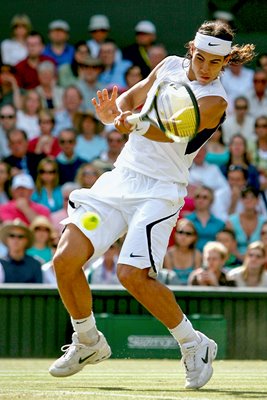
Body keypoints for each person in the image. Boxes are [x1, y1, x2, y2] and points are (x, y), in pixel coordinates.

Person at [49, 20, 255, 389]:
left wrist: (135, 125)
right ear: (192, 49)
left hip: (160, 191)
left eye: (215, 63)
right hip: (119, 180)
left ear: (225, 65)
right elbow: (133, 96)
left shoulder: (215, 100)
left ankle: (194, 344)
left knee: (132, 275)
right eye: (201, 58)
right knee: (65, 260)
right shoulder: (169, 64)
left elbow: (175, 129)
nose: (205, 68)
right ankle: (88, 340)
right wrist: (114, 112)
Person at [226, 186, 267, 259]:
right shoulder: (231, 221)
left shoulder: (264, 221)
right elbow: (229, 244)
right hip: (236, 259)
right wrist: (243, 259)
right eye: (245, 197)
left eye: (252, 197)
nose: (249, 200)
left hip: (259, 260)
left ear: (257, 200)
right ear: (241, 200)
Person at [0, 218, 42, 283]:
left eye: (20, 236)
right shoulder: (1, 263)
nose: (15, 239)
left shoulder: (35, 264)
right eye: (12, 236)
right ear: (6, 240)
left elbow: (40, 291)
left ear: (27, 240)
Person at [161, 218, 202, 285]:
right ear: (175, 235)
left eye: (188, 234)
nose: (183, 236)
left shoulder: (197, 255)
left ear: (194, 237)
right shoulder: (168, 254)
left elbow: (196, 281)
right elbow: (169, 281)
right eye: (180, 232)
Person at [186, 185, 225, 252]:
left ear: (211, 201)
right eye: (198, 197)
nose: (201, 200)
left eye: (205, 197)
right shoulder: (186, 221)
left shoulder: (220, 224)